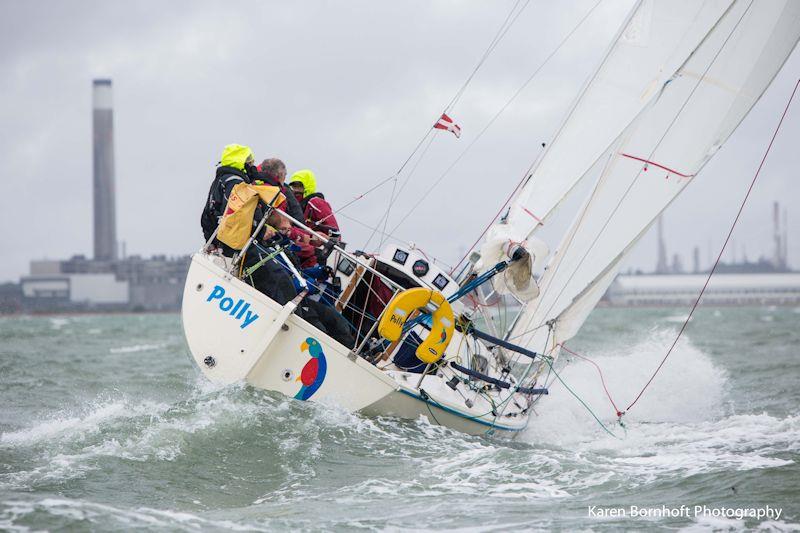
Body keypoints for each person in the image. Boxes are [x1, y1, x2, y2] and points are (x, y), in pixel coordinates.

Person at [287, 169, 341, 238]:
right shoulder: (293, 206)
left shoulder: (317, 202)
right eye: (294, 186)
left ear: (308, 186)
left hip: (316, 244)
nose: (296, 190)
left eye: (300, 186)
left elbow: (334, 230)